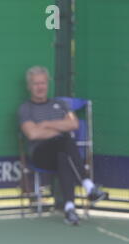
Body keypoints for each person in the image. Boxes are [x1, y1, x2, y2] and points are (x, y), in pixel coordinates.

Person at [19, 66, 108, 225]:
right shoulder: (26, 108)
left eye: (43, 83)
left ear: (48, 84)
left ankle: (69, 209)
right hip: (41, 154)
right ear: (29, 87)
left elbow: (73, 124)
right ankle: (88, 186)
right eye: (36, 84)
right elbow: (32, 134)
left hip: (63, 153)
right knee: (65, 140)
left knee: (63, 156)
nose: (40, 87)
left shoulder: (60, 104)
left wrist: (45, 124)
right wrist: (59, 128)